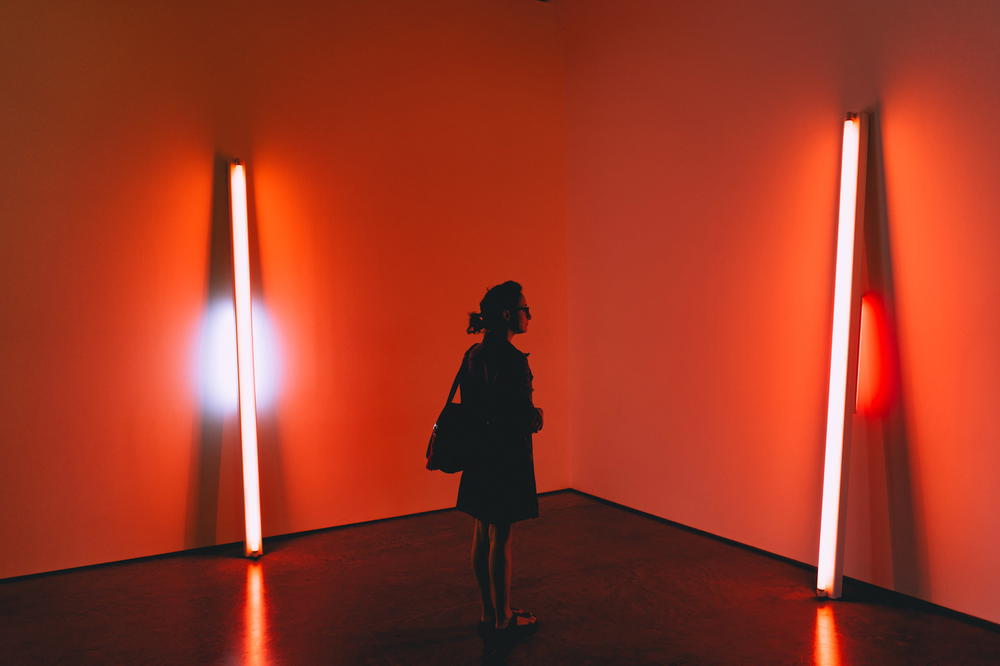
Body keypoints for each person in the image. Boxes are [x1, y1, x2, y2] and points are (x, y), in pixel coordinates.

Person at [456, 280, 543, 638]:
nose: (529, 316)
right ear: (508, 314)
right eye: (525, 310)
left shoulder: (473, 353)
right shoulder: (512, 360)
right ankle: (505, 617)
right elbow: (521, 416)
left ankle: (488, 612)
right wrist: (537, 415)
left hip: (478, 453)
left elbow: (472, 403)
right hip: (506, 456)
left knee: (481, 531)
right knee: (502, 536)